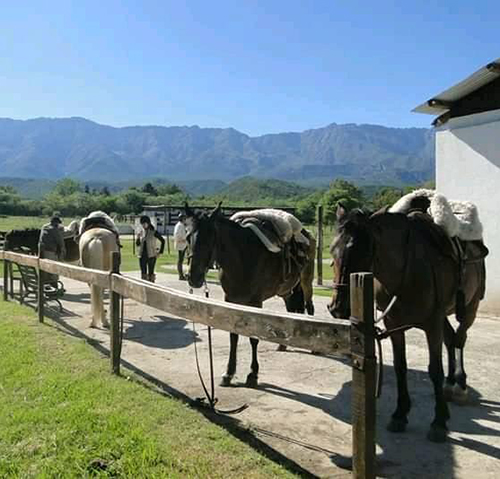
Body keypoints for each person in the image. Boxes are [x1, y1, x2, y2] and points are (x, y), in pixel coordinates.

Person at [38, 214, 66, 288]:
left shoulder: (44, 227)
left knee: (45, 270)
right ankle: (54, 285)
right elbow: (60, 242)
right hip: (51, 252)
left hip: (42, 251)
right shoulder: (54, 229)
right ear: (56, 223)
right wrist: (63, 251)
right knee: (54, 269)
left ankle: (46, 285)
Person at [136, 215, 165, 282]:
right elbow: (138, 244)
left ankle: (151, 287)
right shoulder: (142, 232)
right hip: (142, 255)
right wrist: (138, 237)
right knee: (143, 273)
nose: (143, 225)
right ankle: (144, 287)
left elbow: (163, 241)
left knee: (151, 273)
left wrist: (160, 252)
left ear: (148, 223)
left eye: (144, 223)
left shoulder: (154, 232)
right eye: (142, 224)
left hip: (151, 255)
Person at [173, 213, 188, 280]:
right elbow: (177, 235)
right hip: (181, 244)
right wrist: (182, 240)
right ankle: (180, 275)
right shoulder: (179, 225)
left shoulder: (182, 225)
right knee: (180, 260)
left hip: (183, 244)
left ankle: (183, 274)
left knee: (182, 259)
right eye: (184, 218)